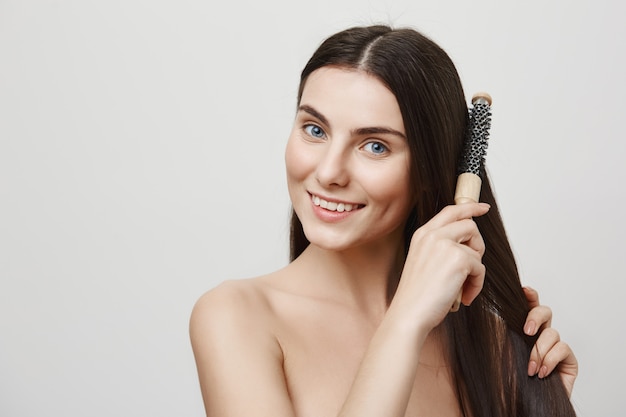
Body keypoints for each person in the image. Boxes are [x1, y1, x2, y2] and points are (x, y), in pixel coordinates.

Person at [190, 25, 578, 417]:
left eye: (374, 146)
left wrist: (540, 403)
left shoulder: (487, 346)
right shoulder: (237, 318)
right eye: (315, 129)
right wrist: (404, 324)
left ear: (430, 169)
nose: (329, 172)